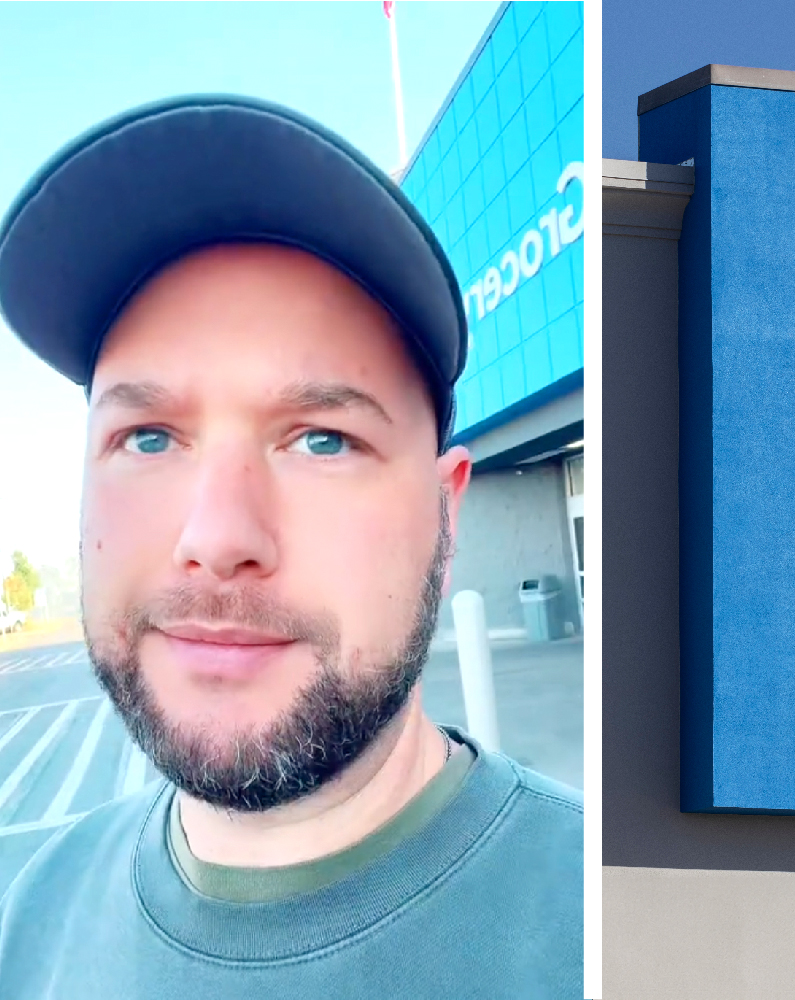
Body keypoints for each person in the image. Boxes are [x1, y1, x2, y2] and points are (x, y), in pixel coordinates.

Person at [0, 96, 581, 996]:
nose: (217, 539)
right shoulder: (25, 921)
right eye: (149, 437)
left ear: (447, 514)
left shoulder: (633, 941)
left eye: (321, 440)